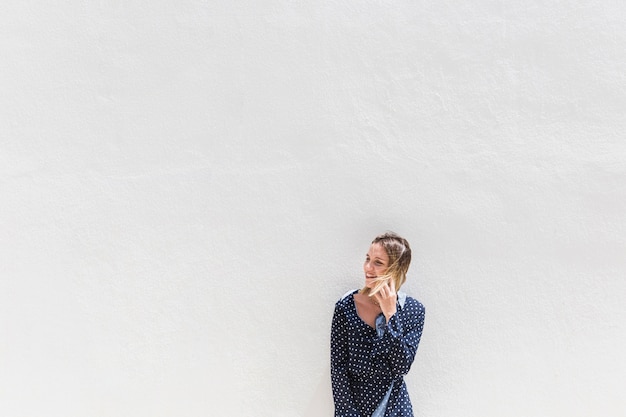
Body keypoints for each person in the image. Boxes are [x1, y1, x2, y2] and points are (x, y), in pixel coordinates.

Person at [330, 232, 425, 417]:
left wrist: (391, 315)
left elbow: (401, 367)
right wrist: (348, 413)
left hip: (394, 408)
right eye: (367, 259)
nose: (368, 267)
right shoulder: (346, 306)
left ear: (396, 269)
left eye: (378, 262)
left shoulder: (413, 310)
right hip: (353, 409)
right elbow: (339, 369)